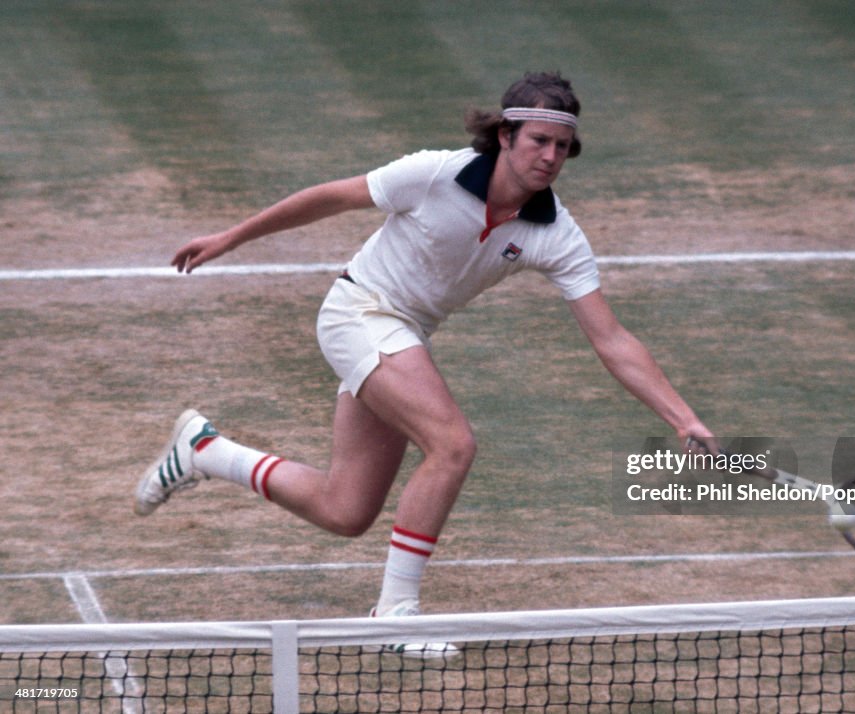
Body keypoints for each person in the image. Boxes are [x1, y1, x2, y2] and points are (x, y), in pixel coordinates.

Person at [134, 71, 716, 657]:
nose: (551, 156)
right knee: (454, 445)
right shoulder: (435, 173)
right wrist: (230, 238)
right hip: (357, 312)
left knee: (346, 510)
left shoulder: (556, 233)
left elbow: (611, 338)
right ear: (505, 136)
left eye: (561, 146)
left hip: (404, 333)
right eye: (539, 140)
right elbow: (330, 197)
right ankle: (395, 616)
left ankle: (206, 451)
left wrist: (682, 416)